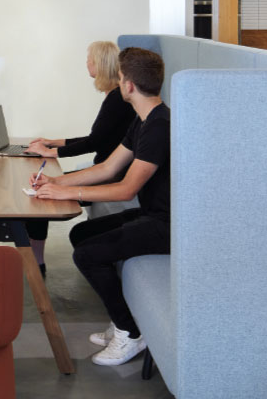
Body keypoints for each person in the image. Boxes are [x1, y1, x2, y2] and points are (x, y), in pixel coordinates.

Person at [30, 47, 170, 367]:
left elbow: (126, 189)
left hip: (169, 225)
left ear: (129, 85)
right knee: (81, 233)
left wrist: (68, 193)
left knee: (87, 254)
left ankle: (129, 332)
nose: (118, 83)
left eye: (120, 78)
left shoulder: (159, 126)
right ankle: (123, 319)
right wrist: (56, 183)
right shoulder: (144, 120)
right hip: (153, 213)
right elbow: (107, 168)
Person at [24, 41, 136, 277]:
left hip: (112, 174)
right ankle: (35, 259)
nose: (86, 64)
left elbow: (93, 142)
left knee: (38, 198)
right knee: (41, 191)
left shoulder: (117, 99)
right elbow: (96, 137)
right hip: (106, 168)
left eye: (89, 60)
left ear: (100, 64)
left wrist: (53, 152)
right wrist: (55, 142)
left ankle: (37, 263)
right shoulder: (113, 95)